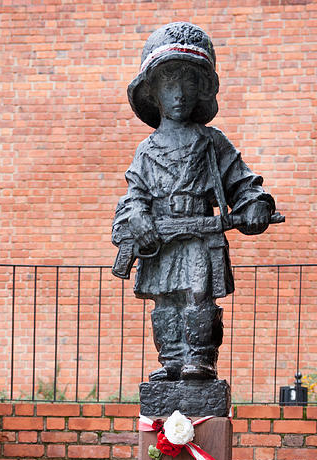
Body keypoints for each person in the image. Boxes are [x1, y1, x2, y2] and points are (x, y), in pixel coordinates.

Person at [112, 21, 277, 382]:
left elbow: (243, 182)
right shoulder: (145, 151)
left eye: (188, 83)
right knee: (164, 298)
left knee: (198, 296)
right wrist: (139, 218)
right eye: (169, 83)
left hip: (201, 236)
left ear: (201, 90)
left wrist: (255, 205)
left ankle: (199, 357)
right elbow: (134, 195)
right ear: (153, 92)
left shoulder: (213, 142)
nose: (179, 94)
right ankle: (171, 358)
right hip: (161, 239)